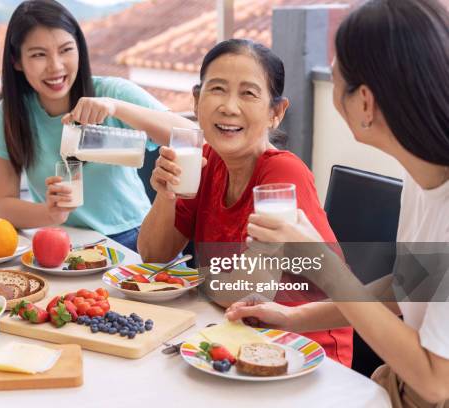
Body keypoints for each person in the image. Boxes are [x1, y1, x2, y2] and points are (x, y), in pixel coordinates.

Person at [229, 0, 449, 405]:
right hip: (397, 383)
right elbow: (408, 287)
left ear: (364, 103)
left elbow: (438, 381)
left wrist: (325, 266)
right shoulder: (425, 178)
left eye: (335, 75)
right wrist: (293, 317)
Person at [137, 39, 353, 367]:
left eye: (248, 93)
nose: (229, 106)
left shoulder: (283, 172)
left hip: (304, 351)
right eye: (218, 89)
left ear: (276, 113)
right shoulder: (204, 160)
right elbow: (154, 255)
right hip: (234, 335)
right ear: (196, 101)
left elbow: (249, 287)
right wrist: (166, 195)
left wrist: (188, 278)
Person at [0, 0, 195, 251]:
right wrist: (50, 213)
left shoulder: (111, 92)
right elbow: (3, 204)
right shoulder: (12, 113)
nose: (56, 66)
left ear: (80, 49)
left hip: (134, 239)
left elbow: (190, 137)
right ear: (17, 61)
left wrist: (116, 107)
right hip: (60, 246)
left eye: (65, 50)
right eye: (39, 54)